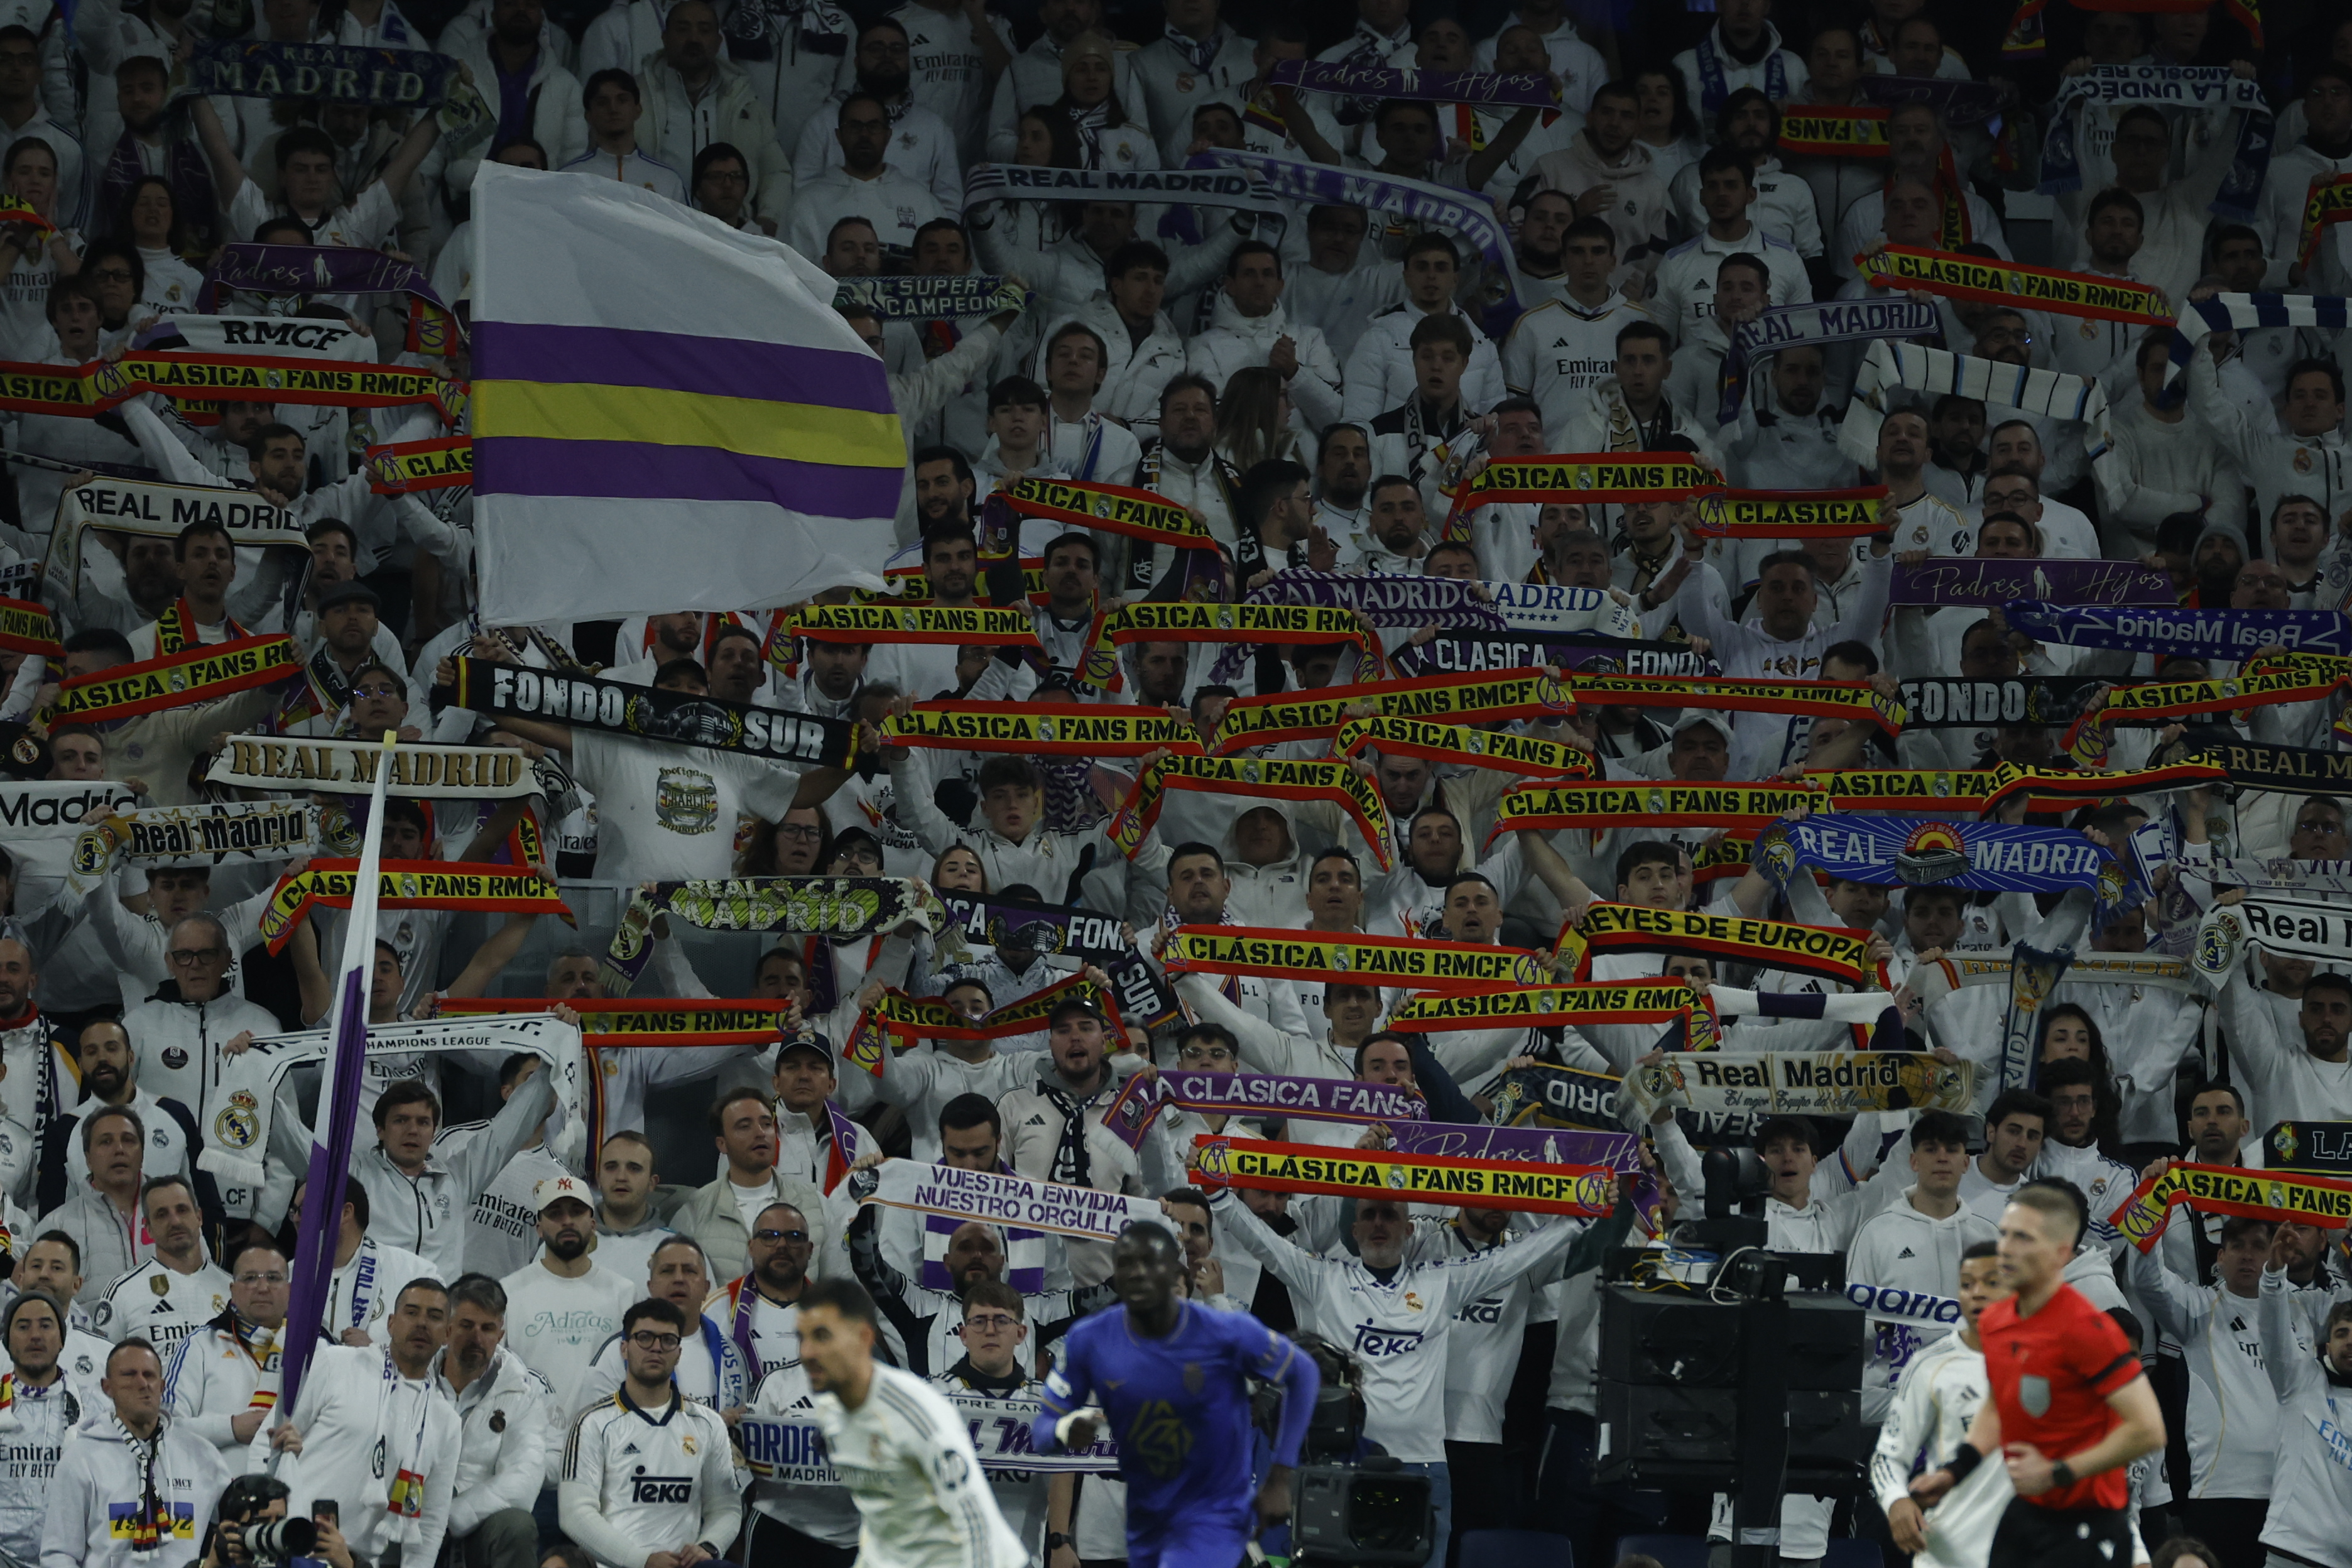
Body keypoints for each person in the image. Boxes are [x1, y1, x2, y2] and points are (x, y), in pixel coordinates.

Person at [1908, 1182, 2167, 1567]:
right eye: (2006, 1234)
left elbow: (2148, 1429)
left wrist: (2058, 1472)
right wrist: (1955, 1470)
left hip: (2086, 1520)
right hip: (2021, 1513)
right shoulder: (2000, 1321)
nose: (2007, 1249)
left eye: (2024, 1238)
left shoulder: (2091, 1330)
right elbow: (1998, 1409)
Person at [1035, 1220, 1319, 1567]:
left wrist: (1281, 1475)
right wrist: (1063, 1430)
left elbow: (1303, 1372)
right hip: (1109, 1539)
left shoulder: (1225, 1332)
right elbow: (1044, 1427)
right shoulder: (1089, 1341)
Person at [798, 1275, 1030, 1568]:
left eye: (1001, 1320)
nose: (990, 1330)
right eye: (979, 1321)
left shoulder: (1045, 1401)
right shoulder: (909, 1398)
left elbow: (974, 1513)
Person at [255, 1277, 462, 1566]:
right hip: (289, 1543)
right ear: (391, 1323)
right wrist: (257, 1524)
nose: (422, 1323)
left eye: (435, 1317)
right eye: (412, 1312)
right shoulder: (337, 1363)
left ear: (448, 1334)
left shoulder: (446, 1421)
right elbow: (267, 1442)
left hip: (354, 1560)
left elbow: (431, 1522)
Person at [557, 1297, 739, 1568]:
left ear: (679, 1352)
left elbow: (726, 1507)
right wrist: (642, 1561)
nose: (656, 1348)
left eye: (668, 1340)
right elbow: (574, 1514)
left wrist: (709, 1546)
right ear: (624, 1348)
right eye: (645, 1338)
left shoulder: (708, 1423)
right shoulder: (592, 1423)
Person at [1874, 1243, 2012, 1568]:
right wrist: (1896, 1501)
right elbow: (1888, 1457)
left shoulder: (2051, 1365)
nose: (1977, 1294)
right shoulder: (1930, 1366)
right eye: (1967, 1284)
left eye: (1991, 1283)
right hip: (1949, 1555)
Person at [41, 1337, 231, 1568]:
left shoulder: (202, 1455)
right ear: (107, 1387)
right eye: (129, 1375)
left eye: (150, 1375)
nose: (143, 1383)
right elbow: (59, 1553)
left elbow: (233, 1528)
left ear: (162, 1387)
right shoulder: (81, 1459)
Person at [498, 1175, 636, 1486]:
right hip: (531, 1459)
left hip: (606, 1459)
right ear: (539, 1227)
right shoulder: (508, 1292)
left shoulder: (624, 1294)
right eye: (555, 1213)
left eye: (576, 1211)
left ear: (593, 1222)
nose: (567, 1221)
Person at [433, 1273, 550, 1568]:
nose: (477, 1338)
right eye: (467, 1326)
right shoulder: (414, 1376)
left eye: (488, 1328)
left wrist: (451, 1520)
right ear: (447, 1329)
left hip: (477, 1526)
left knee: (517, 1525)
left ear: (500, 1335)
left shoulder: (524, 1391)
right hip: (413, 1509)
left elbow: (523, 1479)